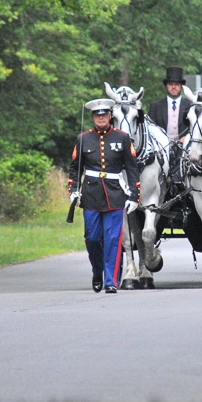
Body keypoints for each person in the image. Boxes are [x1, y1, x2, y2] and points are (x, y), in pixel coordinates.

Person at [68, 98, 141, 293]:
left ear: (110, 116)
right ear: (93, 117)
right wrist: (73, 189)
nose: (101, 118)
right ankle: (97, 270)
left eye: (104, 115)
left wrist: (134, 196)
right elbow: (75, 168)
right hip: (91, 195)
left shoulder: (122, 138)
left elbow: (132, 169)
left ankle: (111, 281)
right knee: (92, 238)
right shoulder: (83, 138)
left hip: (115, 194)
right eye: (97, 115)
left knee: (113, 239)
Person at [148, 66, 193, 185]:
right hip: (161, 148)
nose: (174, 87)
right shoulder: (155, 106)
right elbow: (150, 129)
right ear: (166, 86)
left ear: (181, 86)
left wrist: (187, 138)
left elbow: (196, 127)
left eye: (177, 84)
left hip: (184, 148)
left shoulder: (190, 105)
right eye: (171, 84)